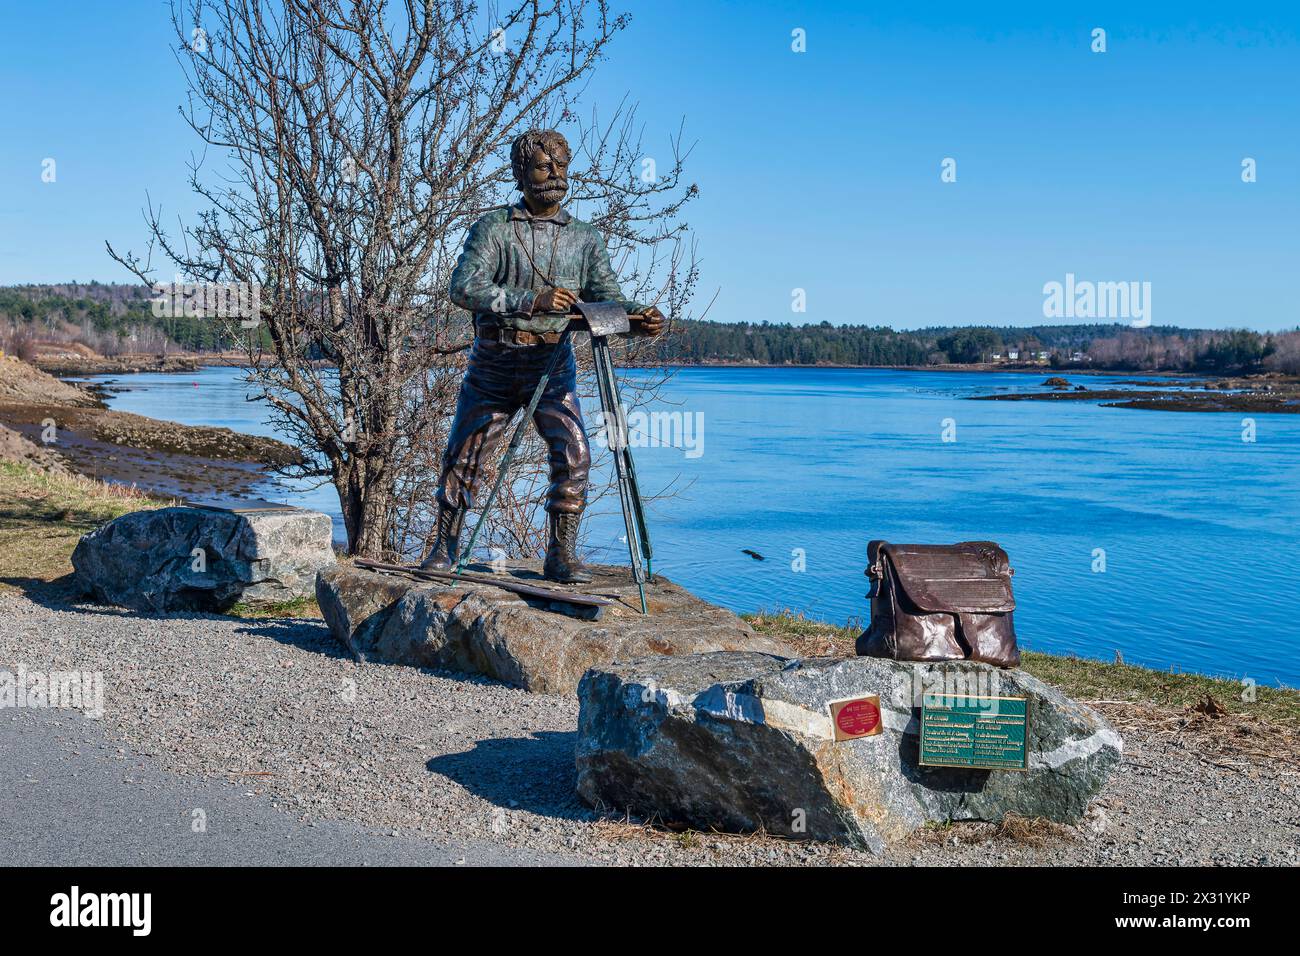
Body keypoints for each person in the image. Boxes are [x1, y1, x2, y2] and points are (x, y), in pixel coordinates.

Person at [422, 129, 666, 582]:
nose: (554, 174)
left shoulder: (585, 239)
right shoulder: (494, 229)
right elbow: (464, 288)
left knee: (573, 453)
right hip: (494, 362)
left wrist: (639, 316)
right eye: (542, 165)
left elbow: (604, 299)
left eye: (561, 165)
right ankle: (444, 547)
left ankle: (561, 555)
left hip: (553, 364)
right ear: (520, 173)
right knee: (466, 453)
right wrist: (530, 301)